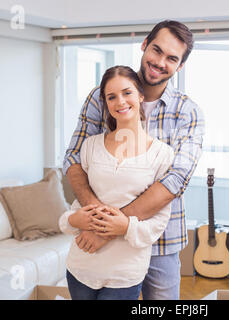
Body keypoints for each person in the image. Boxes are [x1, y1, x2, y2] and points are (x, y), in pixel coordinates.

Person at [63, 20, 205, 300]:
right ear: (144, 45)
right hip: (100, 245)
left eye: (172, 58)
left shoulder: (188, 112)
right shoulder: (101, 97)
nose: (160, 62)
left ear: (180, 66)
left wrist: (115, 227)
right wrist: (98, 220)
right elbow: (74, 158)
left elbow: (175, 181)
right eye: (156, 50)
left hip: (161, 242)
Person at [59, 65, 174, 300]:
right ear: (105, 104)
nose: (120, 101)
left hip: (125, 274)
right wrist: (72, 219)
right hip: (81, 266)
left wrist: (125, 227)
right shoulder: (90, 146)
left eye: (127, 93)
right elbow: (76, 208)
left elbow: (158, 223)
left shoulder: (162, 154)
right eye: (111, 97)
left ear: (141, 95)